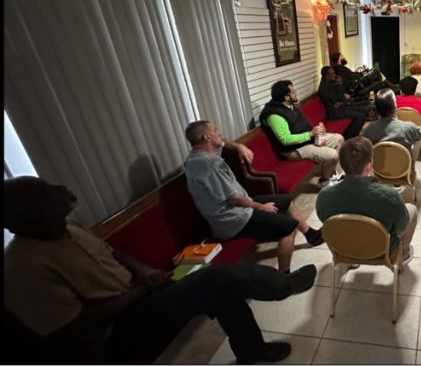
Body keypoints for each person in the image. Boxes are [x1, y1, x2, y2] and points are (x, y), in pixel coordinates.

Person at [3, 176, 318, 364]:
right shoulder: (21, 267)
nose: (61, 189)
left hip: (139, 294)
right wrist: (142, 289)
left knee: (222, 289)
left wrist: (143, 270)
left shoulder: (65, 225)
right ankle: (283, 286)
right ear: (27, 215)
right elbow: (69, 330)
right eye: (48, 192)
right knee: (217, 277)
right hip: (116, 330)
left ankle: (252, 351)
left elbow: (110, 252)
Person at [183, 120, 323, 273]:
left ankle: (311, 235)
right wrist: (260, 207)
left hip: (239, 207)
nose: (219, 133)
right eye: (215, 130)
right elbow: (233, 198)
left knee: (287, 200)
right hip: (233, 218)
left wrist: (239, 146)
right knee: (289, 227)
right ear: (207, 137)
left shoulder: (199, 155)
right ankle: (284, 276)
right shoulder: (207, 164)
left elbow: (222, 142)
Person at [316, 136, 417, 263]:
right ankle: (403, 254)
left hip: (344, 248)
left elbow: (325, 222)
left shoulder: (324, 196)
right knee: (412, 209)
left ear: (341, 164)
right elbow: (401, 227)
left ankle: (349, 259)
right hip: (382, 250)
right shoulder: (391, 197)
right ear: (369, 166)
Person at [259, 80, 344, 186]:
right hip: (292, 150)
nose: (296, 93)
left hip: (306, 140)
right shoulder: (275, 115)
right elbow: (285, 140)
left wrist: (317, 130)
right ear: (286, 97)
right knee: (334, 155)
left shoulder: (290, 106)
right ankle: (324, 181)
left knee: (339, 139)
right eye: (293, 92)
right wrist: (310, 134)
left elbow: (302, 125)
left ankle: (329, 171)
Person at [361, 88, 421, 160]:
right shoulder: (408, 127)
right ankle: (412, 165)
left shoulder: (367, 129)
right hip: (402, 166)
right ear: (395, 104)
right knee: (419, 140)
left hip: (377, 166)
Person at [317, 66, 369, 139]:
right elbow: (340, 98)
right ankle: (350, 137)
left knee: (364, 110)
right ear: (327, 75)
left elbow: (341, 98)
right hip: (334, 112)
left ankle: (351, 132)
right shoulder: (323, 88)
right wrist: (340, 84)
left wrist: (340, 100)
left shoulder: (330, 82)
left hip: (340, 107)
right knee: (361, 116)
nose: (335, 75)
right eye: (333, 73)